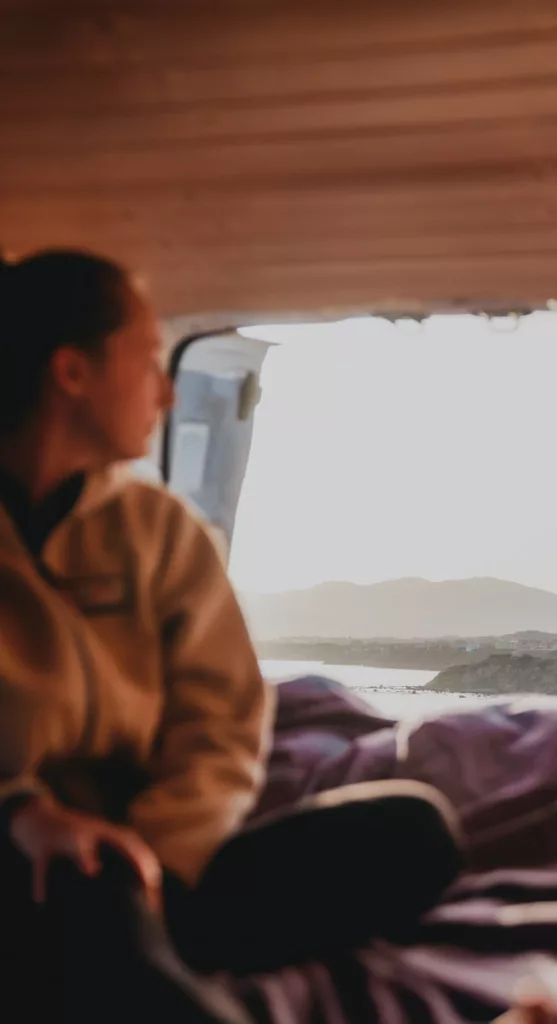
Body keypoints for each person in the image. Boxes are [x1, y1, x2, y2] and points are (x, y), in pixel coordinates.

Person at [0, 250, 463, 1023]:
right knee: (83, 899)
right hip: (23, 861)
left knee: (417, 831)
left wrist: (153, 856)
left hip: (159, 873)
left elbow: (221, 728)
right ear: (72, 373)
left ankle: (121, 959)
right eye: (150, 357)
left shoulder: (161, 531)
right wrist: (20, 812)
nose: (167, 388)